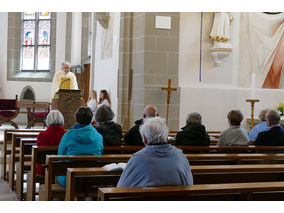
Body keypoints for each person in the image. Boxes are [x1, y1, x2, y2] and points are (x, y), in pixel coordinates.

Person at [117, 117, 193, 187]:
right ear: (166, 137)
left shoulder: (137, 158)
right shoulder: (180, 156)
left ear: (144, 138)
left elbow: (121, 187)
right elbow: (189, 184)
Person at [57, 107, 103, 187]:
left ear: (76, 119)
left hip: (70, 179)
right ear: (91, 119)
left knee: (57, 177)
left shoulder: (68, 135)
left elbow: (60, 156)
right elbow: (100, 154)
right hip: (91, 179)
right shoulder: (98, 136)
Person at [36, 110, 66, 175]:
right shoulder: (66, 135)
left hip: (44, 169)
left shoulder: (42, 135)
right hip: (61, 169)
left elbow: (38, 153)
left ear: (48, 120)